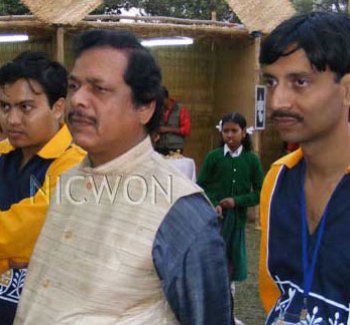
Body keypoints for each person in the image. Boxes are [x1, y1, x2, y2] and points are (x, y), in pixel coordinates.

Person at [14, 30, 232, 325]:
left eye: (98, 89)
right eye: (74, 85)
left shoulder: (180, 211)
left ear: (144, 107)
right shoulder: (67, 180)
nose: (77, 99)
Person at [259, 12, 350, 324]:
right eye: (271, 82)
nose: (277, 102)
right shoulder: (277, 179)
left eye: (300, 82)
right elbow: (274, 293)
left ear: (347, 90)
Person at [0, 51, 85, 324]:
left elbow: (24, 231)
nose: (12, 120)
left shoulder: (78, 166)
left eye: (25, 107)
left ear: (58, 108)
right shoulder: (2, 154)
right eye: (4, 106)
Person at [197, 112, 264, 324]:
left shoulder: (251, 160)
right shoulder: (214, 157)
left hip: (237, 224)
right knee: (214, 266)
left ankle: (228, 314)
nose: (229, 135)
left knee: (231, 269)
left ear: (244, 133)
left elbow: (260, 192)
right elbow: (200, 186)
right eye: (226, 131)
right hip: (213, 223)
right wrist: (214, 202)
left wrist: (237, 201)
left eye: (234, 131)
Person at [154, 86, 191, 155]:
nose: (159, 104)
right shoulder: (158, 109)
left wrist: (168, 129)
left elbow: (186, 130)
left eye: (160, 101)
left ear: (166, 98)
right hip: (159, 146)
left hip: (175, 147)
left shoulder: (181, 109)